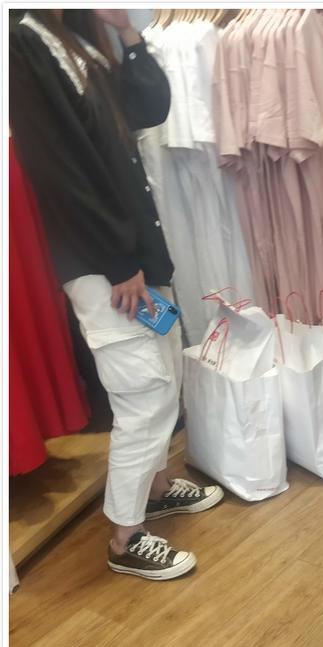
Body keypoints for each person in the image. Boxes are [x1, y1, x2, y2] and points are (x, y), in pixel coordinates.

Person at [10, 9, 223, 581]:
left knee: (164, 371)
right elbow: (60, 171)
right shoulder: (24, 42)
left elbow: (150, 108)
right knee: (142, 392)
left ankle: (156, 488)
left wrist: (128, 33)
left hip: (135, 254)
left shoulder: (81, 39)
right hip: (106, 262)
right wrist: (118, 260)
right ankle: (125, 538)